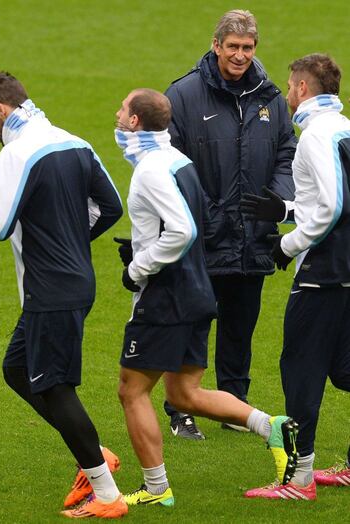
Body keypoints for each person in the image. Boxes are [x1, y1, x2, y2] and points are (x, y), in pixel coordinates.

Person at [0, 72, 128, 519]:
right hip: (72, 283)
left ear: (2, 110)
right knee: (17, 369)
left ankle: (106, 495)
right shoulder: (73, 141)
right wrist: (70, 241)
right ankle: (93, 452)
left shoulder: (17, 152)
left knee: (55, 387)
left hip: (51, 289)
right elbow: (111, 207)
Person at [114, 87, 298, 507]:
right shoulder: (179, 161)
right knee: (183, 395)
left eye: (123, 110)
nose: (118, 115)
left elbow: (182, 230)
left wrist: (137, 267)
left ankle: (156, 489)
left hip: (167, 297)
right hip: (198, 288)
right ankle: (271, 425)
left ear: (135, 122)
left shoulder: (150, 170)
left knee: (132, 390)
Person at [163, 9, 297, 437]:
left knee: (241, 323)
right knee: (192, 322)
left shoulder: (269, 96)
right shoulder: (183, 96)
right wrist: (204, 209)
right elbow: (169, 161)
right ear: (216, 45)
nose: (240, 55)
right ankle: (181, 409)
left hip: (252, 234)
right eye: (233, 47)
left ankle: (233, 407)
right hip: (201, 235)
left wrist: (274, 198)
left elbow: (286, 152)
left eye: (248, 47)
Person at [241, 54, 350, 499]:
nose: (286, 93)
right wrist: (286, 210)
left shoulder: (314, 136)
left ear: (303, 88)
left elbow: (330, 207)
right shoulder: (344, 128)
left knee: (301, 369)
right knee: (345, 370)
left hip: (323, 274)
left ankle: (299, 479)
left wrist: (287, 246)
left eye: (290, 86)